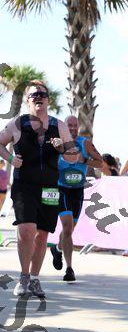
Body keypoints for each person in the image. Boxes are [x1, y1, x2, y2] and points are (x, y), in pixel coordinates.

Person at [0, 81, 79, 297]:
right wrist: (10, 158)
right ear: (27, 100)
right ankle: (24, 277)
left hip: (50, 188)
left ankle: (35, 279)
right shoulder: (18, 123)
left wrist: (62, 148)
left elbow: (74, 157)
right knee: (26, 231)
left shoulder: (59, 126)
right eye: (34, 95)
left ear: (48, 100)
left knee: (42, 235)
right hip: (24, 186)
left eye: (42, 94)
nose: (38, 98)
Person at [50, 115, 103, 281]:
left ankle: (57, 249)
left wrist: (84, 159)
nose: (72, 128)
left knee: (70, 229)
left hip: (78, 191)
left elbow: (100, 162)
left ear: (78, 126)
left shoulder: (85, 143)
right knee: (67, 227)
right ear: (64, 127)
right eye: (69, 125)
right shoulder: (57, 143)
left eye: (75, 125)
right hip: (61, 189)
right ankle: (69, 269)